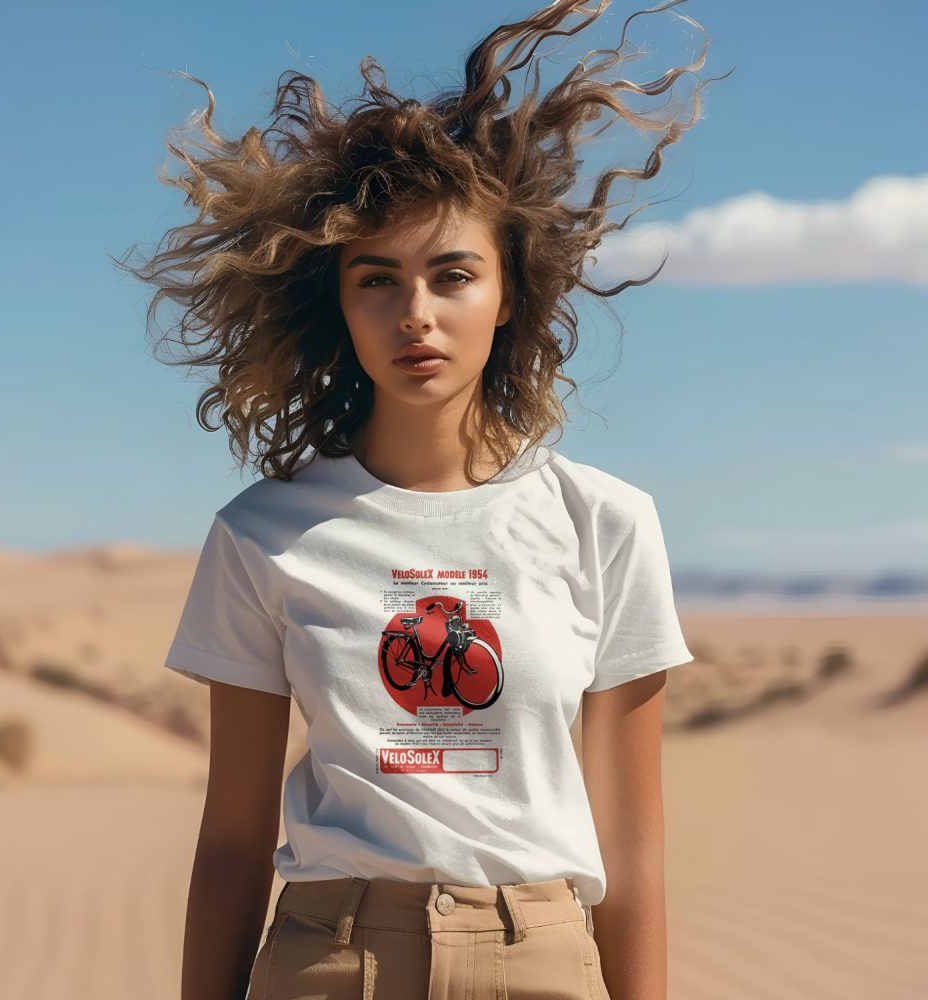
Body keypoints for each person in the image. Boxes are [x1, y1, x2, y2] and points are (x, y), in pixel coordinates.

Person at [120, 2, 724, 997]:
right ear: (337, 300)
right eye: (376, 279)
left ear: (511, 292)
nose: (415, 315)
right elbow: (231, 837)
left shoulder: (604, 523)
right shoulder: (262, 536)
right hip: (327, 957)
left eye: (452, 275)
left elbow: (633, 848)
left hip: (541, 961)